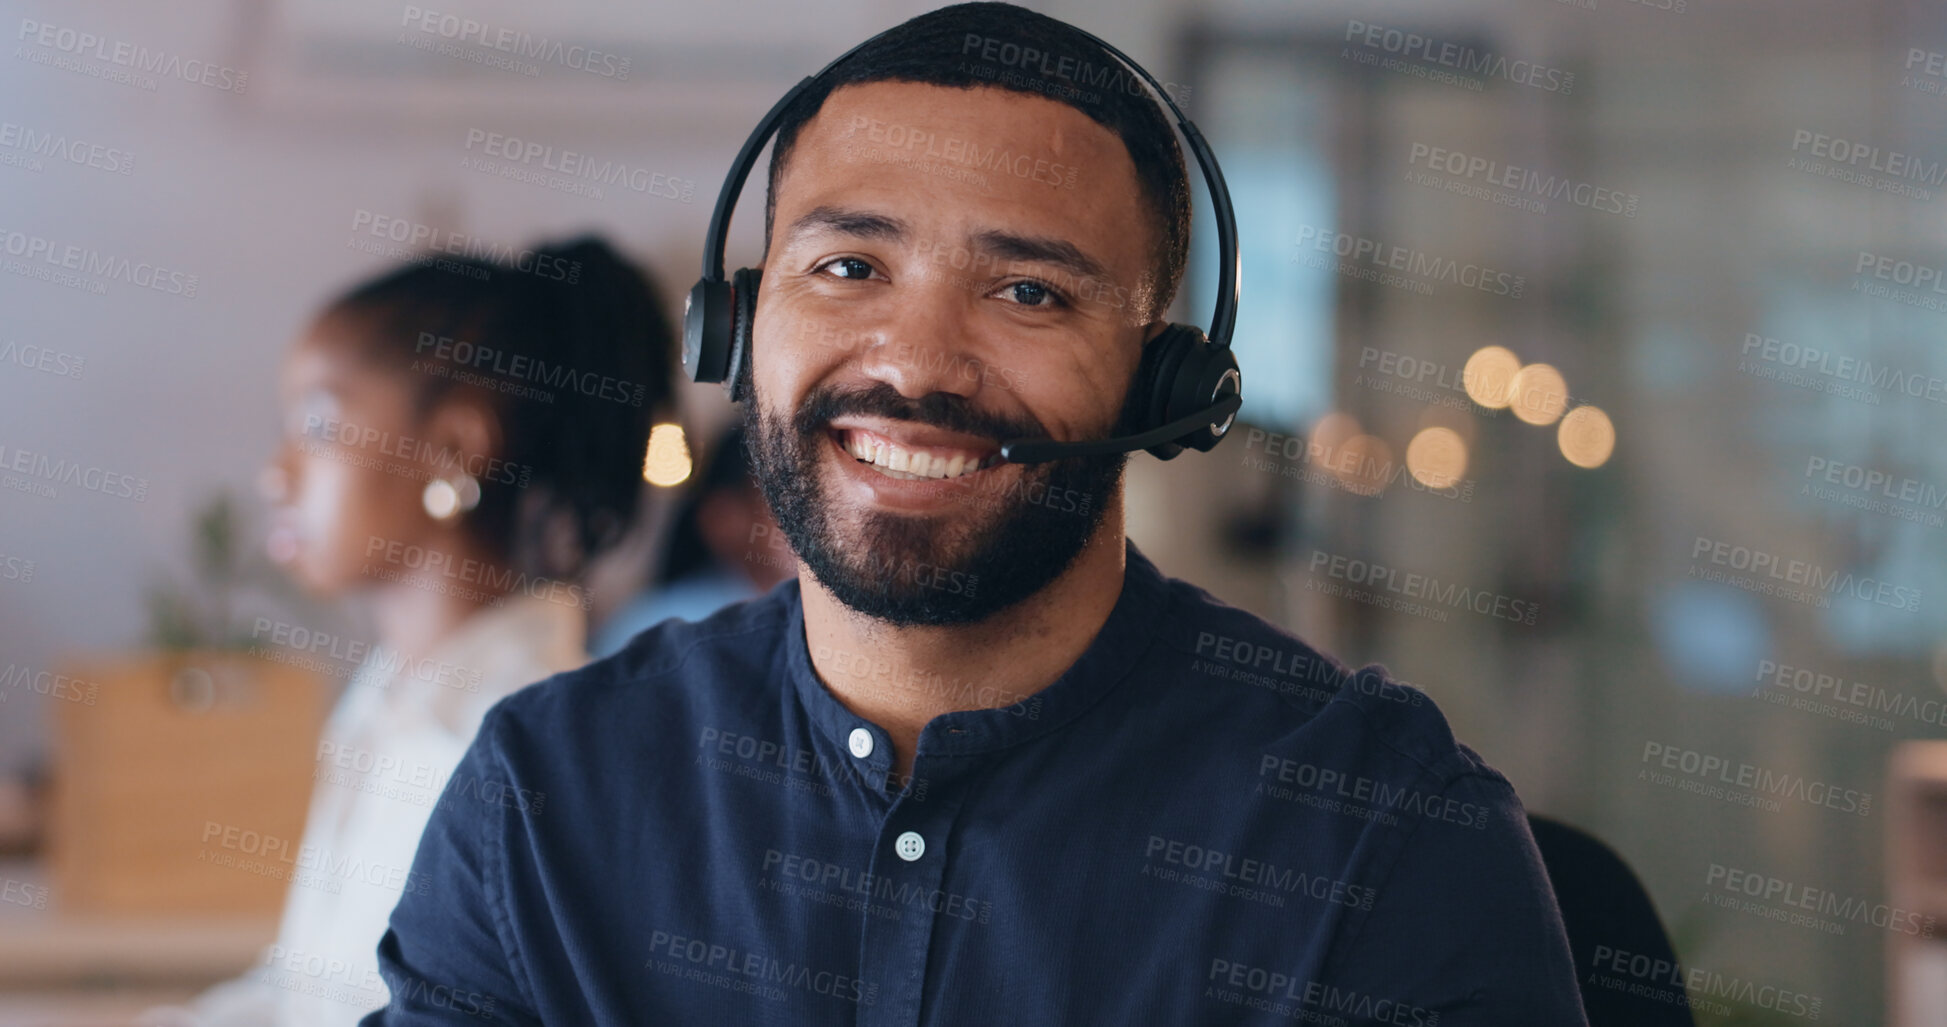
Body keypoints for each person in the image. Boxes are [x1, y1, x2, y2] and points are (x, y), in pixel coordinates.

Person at [365, 6, 1589, 1024]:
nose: (916, 362)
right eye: (849, 267)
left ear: (1167, 385)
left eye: (1028, 291)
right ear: (737, 328)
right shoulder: (544, 795)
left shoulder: (1379, 833)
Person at [143, 235, 677, 1027]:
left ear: (453, 447)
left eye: (319, 424)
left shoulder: (525, 736)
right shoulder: (391, 695)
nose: (275, 473)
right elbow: (305, 992)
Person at [588, 424, 794, 657]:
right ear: (721, 517)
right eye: (784, 501)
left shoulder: (819, 624)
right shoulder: (656, 629)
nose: (805, 520)